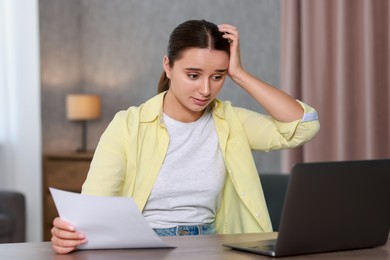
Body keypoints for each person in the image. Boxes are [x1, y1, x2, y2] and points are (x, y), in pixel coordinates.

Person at [51, 19, 320, 254]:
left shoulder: (230, 121)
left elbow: (302, 125)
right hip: (143, 246)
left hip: (213, 245)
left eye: (218, 76)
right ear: (168, 66)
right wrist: (69, 234)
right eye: (193, 75)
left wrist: (240, 74)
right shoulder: (128, 125)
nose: (205, 89)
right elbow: (93, 208)